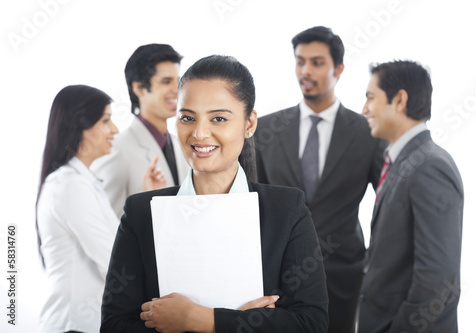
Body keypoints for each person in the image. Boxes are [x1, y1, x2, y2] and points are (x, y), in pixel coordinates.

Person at [101, 55, 329, 333]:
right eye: (187, 118)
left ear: (249, 124)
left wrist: (195, 319)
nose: (199, 133)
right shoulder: (141, 212)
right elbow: (114, 326)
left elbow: (310, 325)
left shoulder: (286, 209)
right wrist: (244, 322)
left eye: (218, 118)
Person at [254, 26, 386, 332]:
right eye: (300, 61)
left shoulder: (367, 132)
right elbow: (250, 201)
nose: (305, 71)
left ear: (338, 68)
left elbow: (387, 204)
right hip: (277, 277)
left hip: (342, 276)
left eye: (316, 62)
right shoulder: (265, 129)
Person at [36, 85, 166, 333]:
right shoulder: (69, 185)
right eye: (106, 120)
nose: (115, 129)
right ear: (80, 125)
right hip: (73, 325)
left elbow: (117, 243)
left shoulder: (84, 182)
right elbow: (115, 260)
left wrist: (145, 196)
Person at [358, 60, 463, 332]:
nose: (364, 109)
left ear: (400, 100)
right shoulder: (403, 161)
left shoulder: (430, 166)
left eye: (371, 98)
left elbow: (438, 279)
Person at [92, 43, 189, 218]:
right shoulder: (116, 150)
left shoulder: (181, 146)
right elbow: (108, 228)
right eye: (166, 81)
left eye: (178, 81)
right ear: (138, 88)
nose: (177, 89)